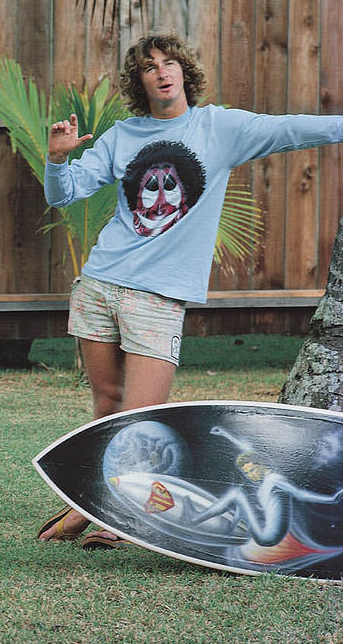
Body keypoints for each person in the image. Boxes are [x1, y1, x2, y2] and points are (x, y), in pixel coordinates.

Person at [36, 32, 343, 549]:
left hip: (157, 297)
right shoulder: (121, 135)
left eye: (170, 62)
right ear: (139, 82)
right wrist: (57, 158)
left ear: (184, 71)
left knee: (143, 419)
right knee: (106, 402)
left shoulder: (219, 127)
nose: (162, 71)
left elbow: (295, 129)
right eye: (150, 66)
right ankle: (86, 506)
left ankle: (118, 518)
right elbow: (63, 193)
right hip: (100, 283)